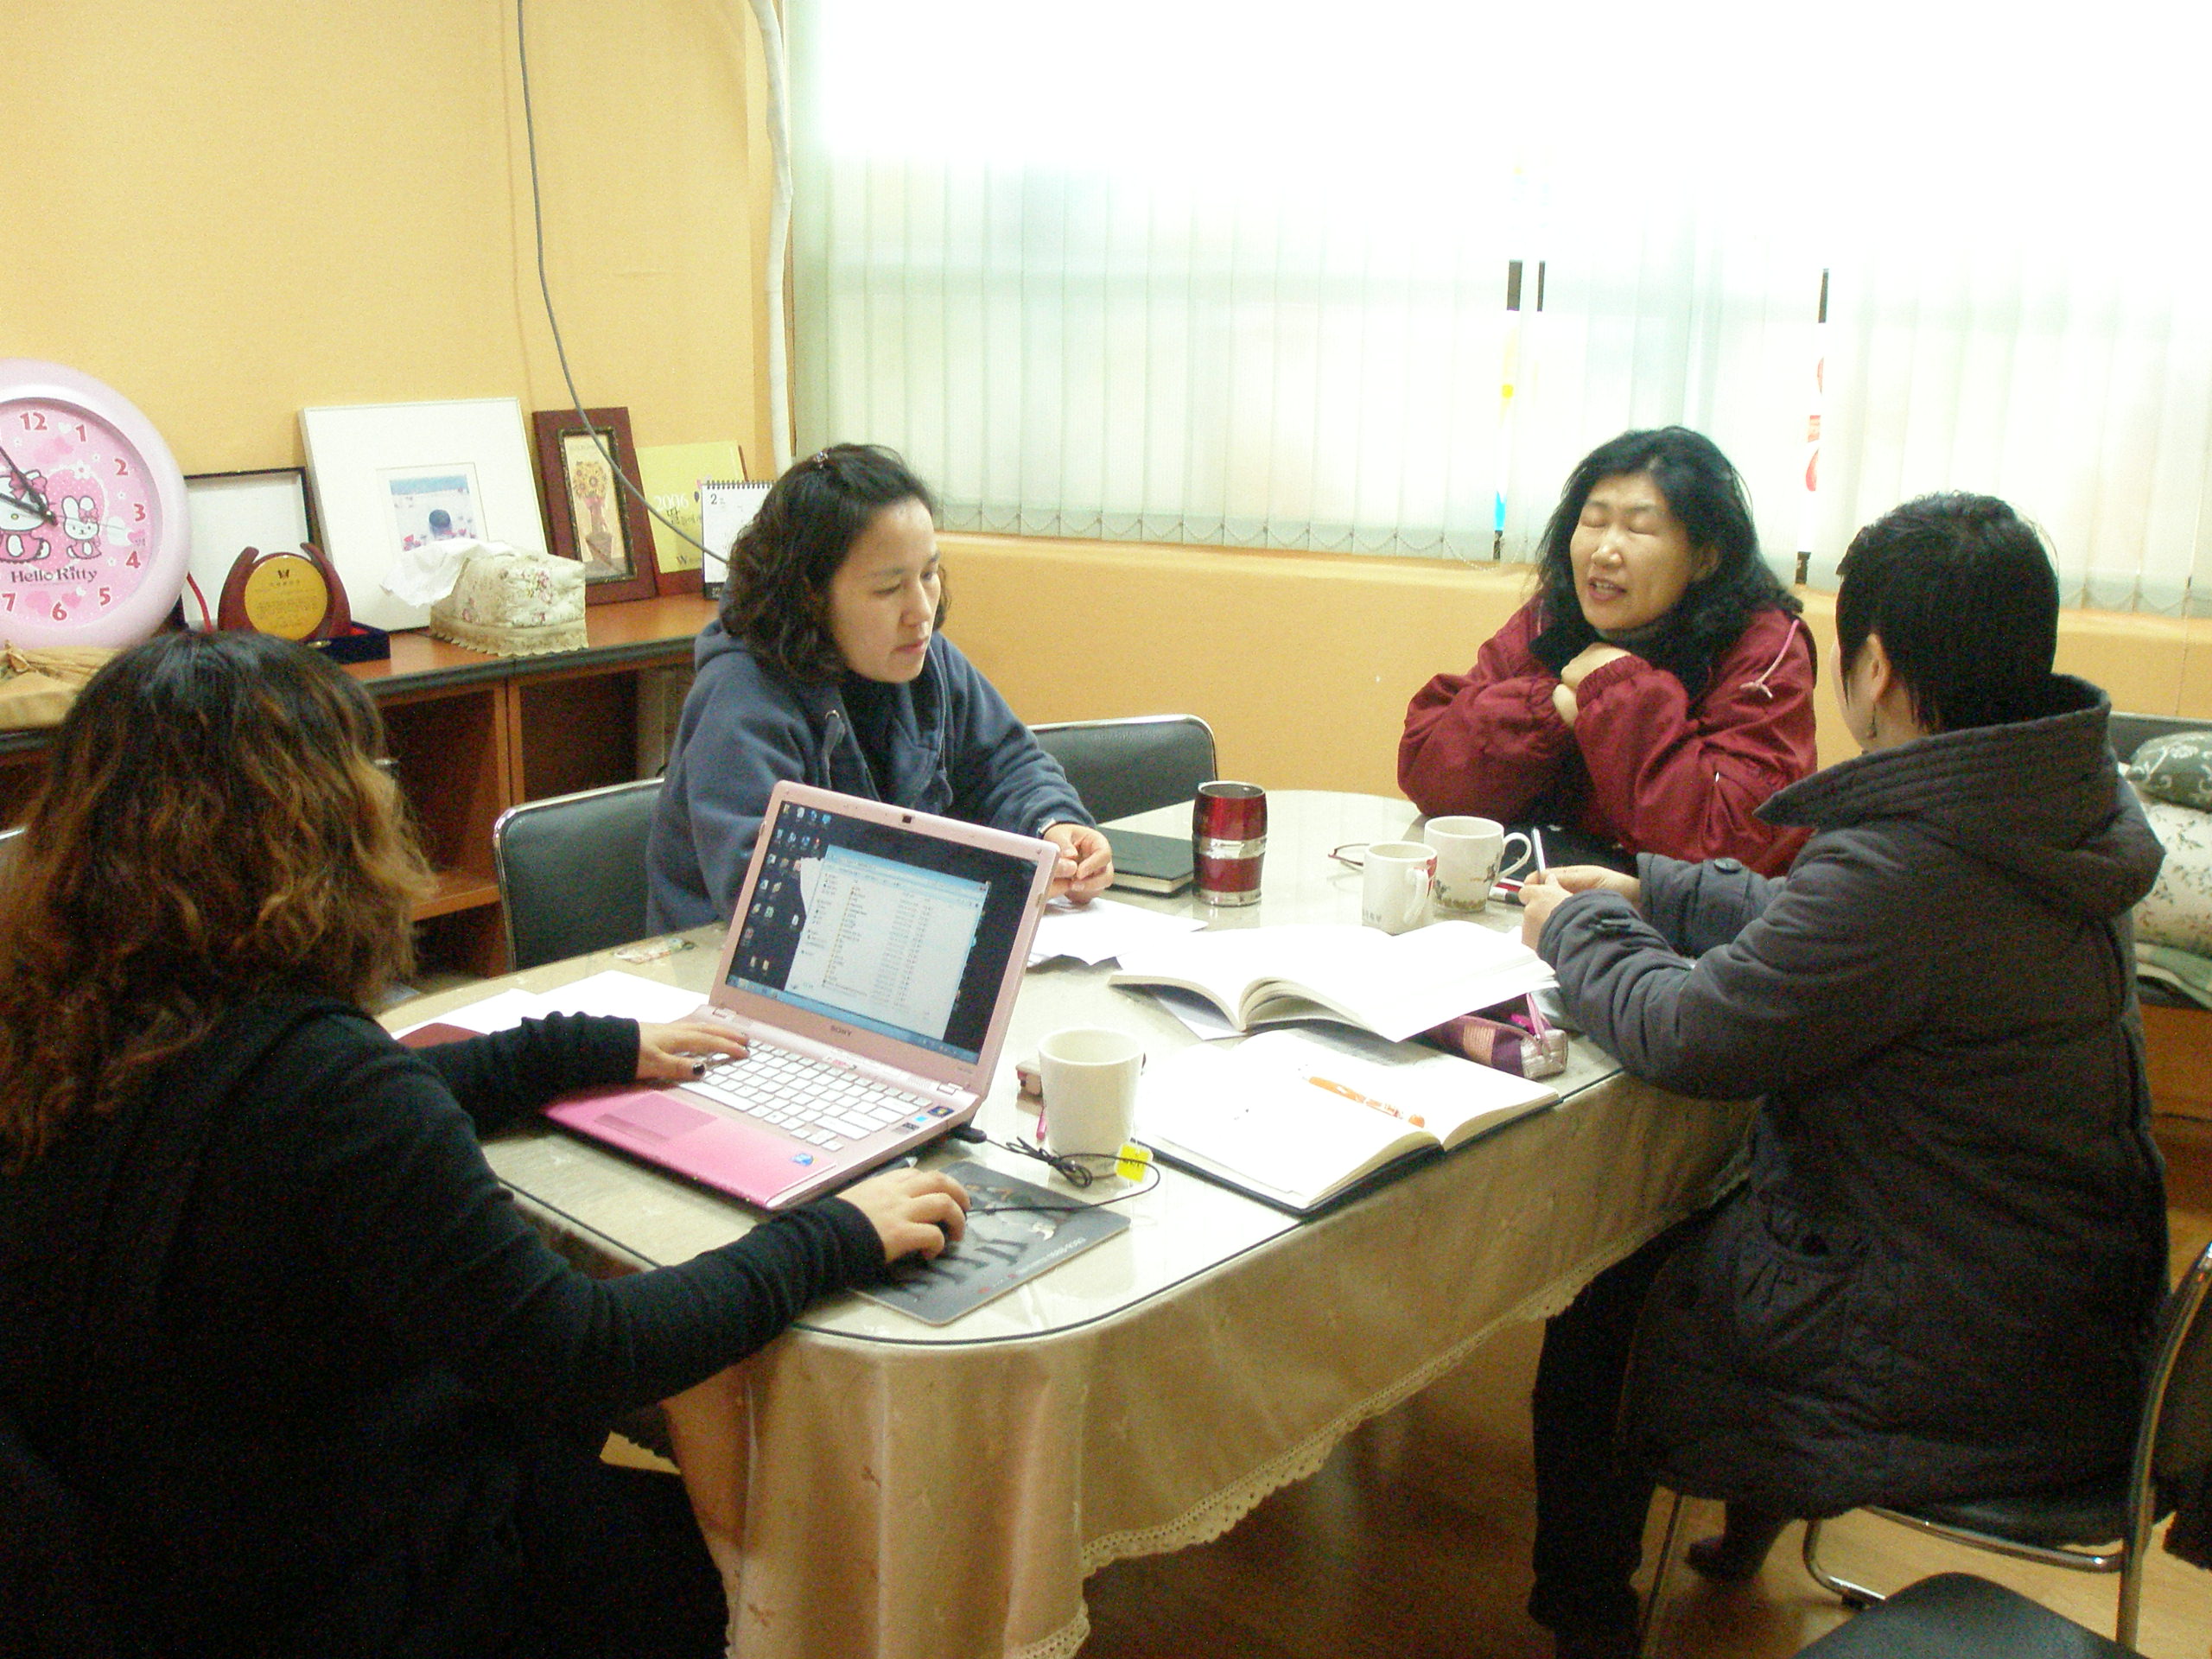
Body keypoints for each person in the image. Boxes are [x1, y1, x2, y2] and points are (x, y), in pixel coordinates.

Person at [0, 630, 971, 1659]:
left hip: (142, 1546)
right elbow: (586, 1352)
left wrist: (586, 1048)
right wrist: (832, 1236)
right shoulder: (329, 1092)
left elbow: (311, 1109)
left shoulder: (70, 1022)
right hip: (342, 1581)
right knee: (784, 1576)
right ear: (323, 825)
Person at [1510, 493, 2168, 1659]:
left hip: (1953, 1359)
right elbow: (1830, 932)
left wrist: (1576, 930)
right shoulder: (2056, 800)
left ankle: (1587, 1617)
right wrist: (1660, 890)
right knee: (1721, 1201)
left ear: (1875, 668)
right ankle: (1747, 1526)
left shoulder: (1912, 866)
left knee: (1610, 1283)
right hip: (2067, 1311)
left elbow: (1692, 1034)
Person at [646, 443, 1110, 931]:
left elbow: (1007, 764)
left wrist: (1052, 827)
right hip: (722, 963)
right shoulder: (741, 697)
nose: (922, 611)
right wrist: (979, 881)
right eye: (889, 588)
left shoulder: (926, 661)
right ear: (810, 593)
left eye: (928, 574)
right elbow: (769, 890)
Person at [1399, 427, 1817, 875]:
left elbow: (1732, 846)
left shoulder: (1762, 646)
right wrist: (1549, 710)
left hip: (1668, 913)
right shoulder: (1552, 617)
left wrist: (1616, 692)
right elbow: (1431, 775)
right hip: (1538, 888)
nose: (1603, 551)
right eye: (1594, 522)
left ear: (1705, 558)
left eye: (1639, 528)